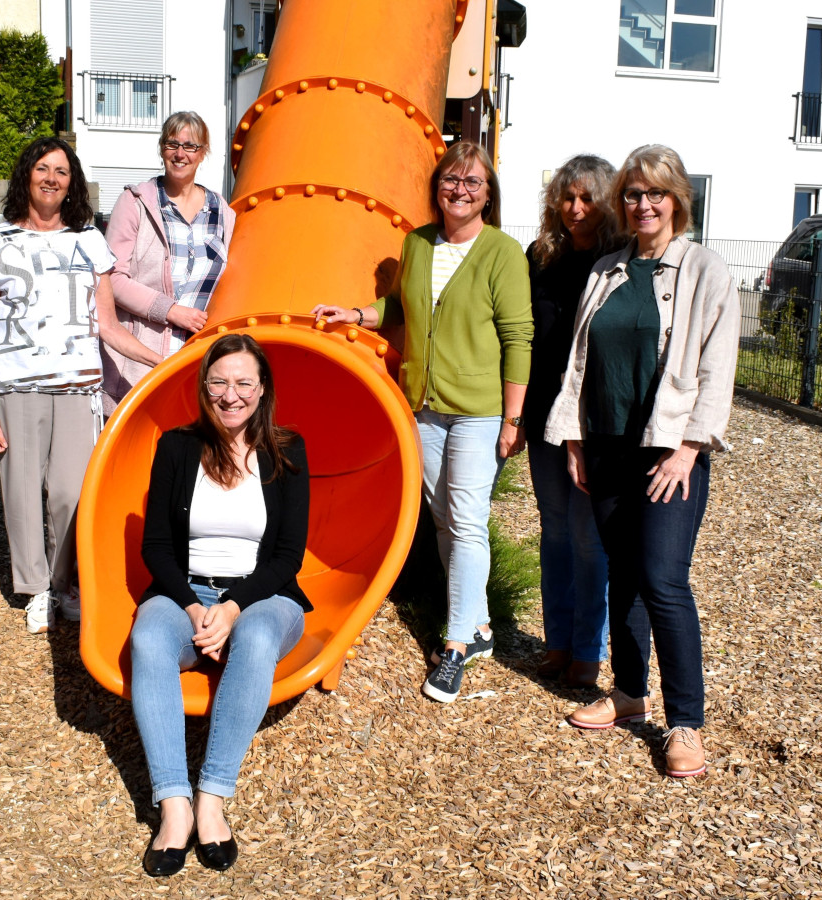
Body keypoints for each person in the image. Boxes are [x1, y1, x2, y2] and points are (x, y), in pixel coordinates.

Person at [312, 141, 533, 703]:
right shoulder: (416, 243)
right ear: (437, 188)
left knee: (465, 518)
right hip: (423, 403)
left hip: (479, 410)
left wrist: (514, 415)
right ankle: (480, 626)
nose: (460, 190)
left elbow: (518, 337)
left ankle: (455, 644)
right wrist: (355, 315)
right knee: (440, 514)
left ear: (489, 194)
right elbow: (401, 309)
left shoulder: (502, 252)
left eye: (472, 183)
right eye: (451, 181)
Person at [544, 145, 739, 777]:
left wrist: (689, 448)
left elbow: (716, 371)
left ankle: (685, 721)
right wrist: (574, 439)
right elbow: (579, 363)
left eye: (655, 193)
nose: (643, 204)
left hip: (667, 451)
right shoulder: (607, 268)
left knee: (662, 579)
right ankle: (629, 695)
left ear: (677, 199)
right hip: (606, 446)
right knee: (622, 575)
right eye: (632, 194)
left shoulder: (705, 271)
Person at [131, 334, 309, 877]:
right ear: (203, 386)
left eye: (243, 383)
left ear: (262, 389)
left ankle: (212, 796)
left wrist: (231, 608)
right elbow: (156, 547)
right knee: (146, 637)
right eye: (218, 382)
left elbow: (288, 556)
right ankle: (174, 805)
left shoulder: (287, 448)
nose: (230, 395)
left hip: (264, 595)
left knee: (254, 638)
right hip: (186, 591)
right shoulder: (177, 446)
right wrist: (189, 607)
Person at [0, 137, 161, 635]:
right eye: (42, 168)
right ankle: (36, 590)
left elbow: (109, 326)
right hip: (15, 386)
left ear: (72, 181)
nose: (52, 178)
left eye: (61, 170)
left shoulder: (90, 241)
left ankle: (65, 584)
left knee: (69, 494)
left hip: (78, 388)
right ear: (26, 176)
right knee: (19, 492)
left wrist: (162, 361)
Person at [526, 155, 621, 689]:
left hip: (594, 420)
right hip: (544, 415)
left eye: (587, 198)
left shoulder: (617, 261)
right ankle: (557, 640)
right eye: (568, 197)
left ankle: (590, 645)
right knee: (555, 530)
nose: (576, 209)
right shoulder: (539, 257)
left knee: (589, 537)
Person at [102, 111, 236, 412]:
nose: (180, 154)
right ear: (162, 148)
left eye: (190, 146)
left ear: (203, 153)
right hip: (139, 360)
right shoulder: (136, 202)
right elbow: (112, 279)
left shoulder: (222, 212)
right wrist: (171, 311)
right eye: (172, 144)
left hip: (197, 358)